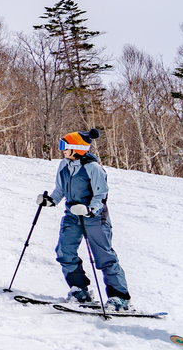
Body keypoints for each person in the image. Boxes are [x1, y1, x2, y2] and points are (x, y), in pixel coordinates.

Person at [36, 128, 132, 310]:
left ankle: (120, 298)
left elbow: (101, 195)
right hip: (72, 214)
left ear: (77, 148)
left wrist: (89, 210)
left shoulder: (93, 168)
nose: (62, 150)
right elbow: (60, 189)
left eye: (64, 146)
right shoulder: (63, 164)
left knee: (104, 257)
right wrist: (50, 201)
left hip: (95, 218)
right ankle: (79, 290)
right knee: (64, 251)